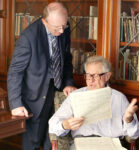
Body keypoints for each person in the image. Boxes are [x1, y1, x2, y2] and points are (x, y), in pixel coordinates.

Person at [7, 2, 76, 150]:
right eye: (57, 27)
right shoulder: (28, 37)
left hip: (57, 93)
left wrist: (69, 82)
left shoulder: (64, 28)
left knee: (51, 141)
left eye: (64, 26)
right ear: (45, 21)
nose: (62, 31)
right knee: (33, 142)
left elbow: (67, 58)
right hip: (35, 96)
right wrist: (16, 104)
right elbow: (15, 72)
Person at [49, 55, 139, 150]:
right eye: (88, 75)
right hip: (82, 144)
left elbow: (134, 135)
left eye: (96, 76)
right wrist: (65, 125)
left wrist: (129, 120)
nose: (91, 80)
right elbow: (52, 125)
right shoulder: (76, 96)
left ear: (107, 76)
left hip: (110, 143)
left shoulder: (119, 98)